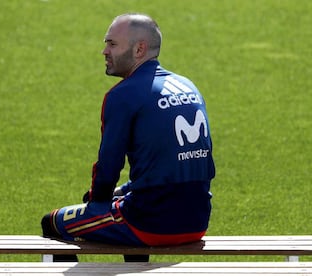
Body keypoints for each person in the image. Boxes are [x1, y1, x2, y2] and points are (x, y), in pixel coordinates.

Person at [41, 13, 215, 262]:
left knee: (52, 222)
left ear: (139, 49)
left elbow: (108, 169)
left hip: (151, 225)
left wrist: (97, 203)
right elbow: (178, 164)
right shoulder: (188, 86)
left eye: (112, 44)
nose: (104, 51)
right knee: (126, 200)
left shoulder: (122, 95)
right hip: (197, 221)